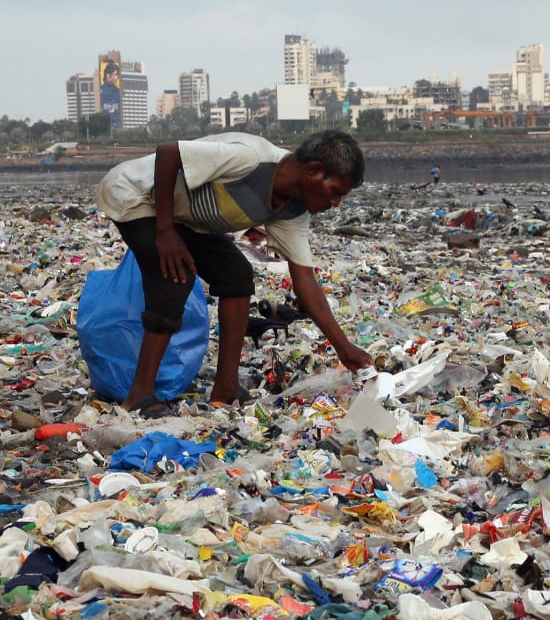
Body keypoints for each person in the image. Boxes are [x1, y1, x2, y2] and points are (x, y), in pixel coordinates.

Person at [93, 130, 373, 415]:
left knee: (236, 275)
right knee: (174, 276)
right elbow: (168, 153)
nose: (336, 203)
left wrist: (343, 347)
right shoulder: (251, 159)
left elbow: (304, 281)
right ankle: (139, 395)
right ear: (314, 171)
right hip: (136, 195)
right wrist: (164, 230)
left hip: (182, 218)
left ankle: (226, 386)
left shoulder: (293, 210)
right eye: (336, 192)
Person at [100, 62, 122, 129]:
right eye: (110, 74)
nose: (113, 77)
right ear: (106, 75)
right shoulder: (102, 90)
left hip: (117, 125)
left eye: (115, 74)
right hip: (105, 125)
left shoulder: (118, 91)